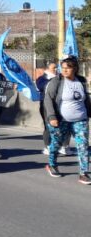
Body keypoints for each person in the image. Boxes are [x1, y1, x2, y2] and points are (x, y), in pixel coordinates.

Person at [43, 56, 91, 184]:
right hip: (61, 120)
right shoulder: (56, 81)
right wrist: (52, 117)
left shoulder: (81, 81)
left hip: (80, 120)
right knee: (57, 144)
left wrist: (89, 112)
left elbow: (85, 99)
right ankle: (52, 164)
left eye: (67, 68)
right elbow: (48, 99)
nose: (64, 71)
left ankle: (84, 173)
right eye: (62, 68)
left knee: (83, 145)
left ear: (74, 69)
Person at [36, 63, 66, 155]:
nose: (56, 69)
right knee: (48, 125)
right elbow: (41, 87)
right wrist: (53, 81)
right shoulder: (42, 79)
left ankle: (61, 145)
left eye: (57, 68)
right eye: (54, 68)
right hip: (46, 105)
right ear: (47, 69)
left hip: (58, 104)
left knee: (61, 126)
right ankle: (47, 146)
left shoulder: (60, 78)